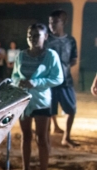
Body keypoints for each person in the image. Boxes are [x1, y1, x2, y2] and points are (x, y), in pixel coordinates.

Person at [11, 23, 63, 170]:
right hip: (24, 102)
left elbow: (57, 78)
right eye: (30, 35)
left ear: (45, 37)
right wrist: (17, 83)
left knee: (41, 138)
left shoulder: (51, 56)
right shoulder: (21, 55)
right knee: (25, 136)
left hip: (41, 101)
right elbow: (14, 76)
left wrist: (36, 82)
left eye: (36, 36)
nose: (32, 39)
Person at [47, 9, 78, 146]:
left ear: (63, 22)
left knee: (71, 109)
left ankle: (66, 137)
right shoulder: (46, 40)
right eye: (50, 23)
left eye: (55, 22)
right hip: (49, 82)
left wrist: (63, 67)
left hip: (66, 81)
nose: (51, 25)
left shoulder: (70, 41)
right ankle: (50, 133)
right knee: (48, 110)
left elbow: (74, 60)